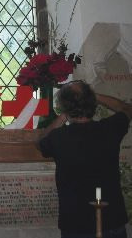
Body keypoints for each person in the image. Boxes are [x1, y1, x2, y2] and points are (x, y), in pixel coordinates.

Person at [37, 80, 132, 238]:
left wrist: (63, 117)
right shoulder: (110, 129)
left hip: (76, 224)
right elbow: (127, 108)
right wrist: (94, 96)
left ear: (65, 107)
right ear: (92, 103)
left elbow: (40, 142)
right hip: (111, 220)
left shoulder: (59, 138)